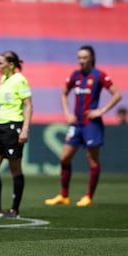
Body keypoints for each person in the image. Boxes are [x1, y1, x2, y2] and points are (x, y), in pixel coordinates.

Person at [45, 45, 121, 207]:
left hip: (91, 124)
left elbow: (117, 95)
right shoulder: (75, 75)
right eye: (79, 57)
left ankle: (88, 196)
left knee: (92, 160)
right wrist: (67, 113)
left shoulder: (99, 75)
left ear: (91, 58)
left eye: (84, 57)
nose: (81, 61)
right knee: (64, 157)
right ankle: (64, 195)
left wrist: (101, 111)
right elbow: (64, 94)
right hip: (76, 124)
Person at [0, 51, 33, 219]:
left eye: (1, 63)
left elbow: (29, 106)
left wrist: (25, 129)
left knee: (15, 170)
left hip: (14, 127)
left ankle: (14, 210)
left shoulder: (20, 80)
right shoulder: (3, 80)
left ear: (11, 65)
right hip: (1, 128)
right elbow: (3, 107)